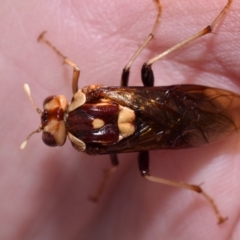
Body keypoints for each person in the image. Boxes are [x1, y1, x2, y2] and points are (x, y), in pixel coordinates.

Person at [0, 0, 238, 239]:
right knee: (142, 65)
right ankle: (207, 29)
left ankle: (197, 190)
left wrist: (105, 180)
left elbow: (113, 163)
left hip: (169, 135)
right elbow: (76, 68)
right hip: (175, 102)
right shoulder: (89, 97)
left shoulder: (90, 146)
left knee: (145, 172)